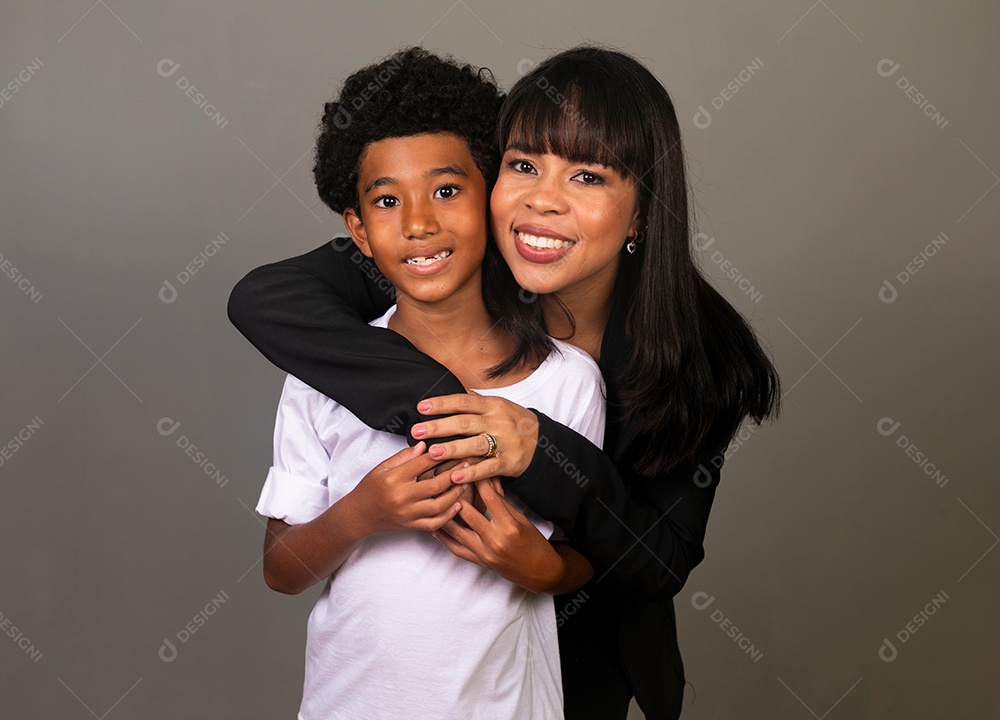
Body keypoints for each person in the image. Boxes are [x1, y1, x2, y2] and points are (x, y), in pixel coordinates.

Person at [230, 46, 780, 720]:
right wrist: (457, 415)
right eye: (523, 166)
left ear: (640, 213)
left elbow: (658, 561)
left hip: (579, 645)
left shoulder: (697, 361)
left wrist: (537, 450)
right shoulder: (440, 254)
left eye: (587, 176)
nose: (542, 201)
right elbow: (266, 300)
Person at [252, 47, 606, 719]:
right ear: (357, 229)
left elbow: (597, 552)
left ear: (494, 198)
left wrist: (545, 570)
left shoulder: (567, 383)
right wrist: (365, 512)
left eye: (447, 190)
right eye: (387, 201)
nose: (418, 223)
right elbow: (282, 569)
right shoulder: (325, 374)